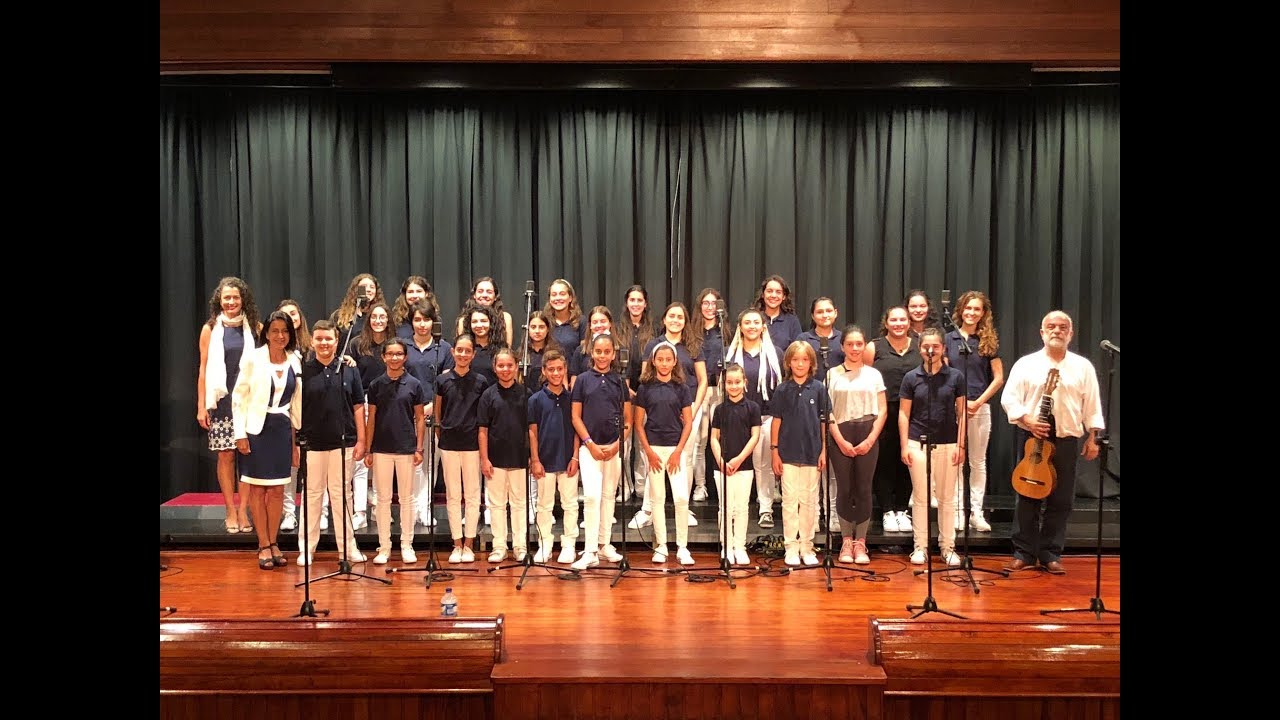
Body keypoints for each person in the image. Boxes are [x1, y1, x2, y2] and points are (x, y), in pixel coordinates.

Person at [1000, 310, 1103, 575]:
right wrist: (1028, 419)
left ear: (1071, 333)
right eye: (1051, 326)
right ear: (1042, 332)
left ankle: (1050, 554)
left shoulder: (1083, 366)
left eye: (1062, 327)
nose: (1057, 331)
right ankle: (1024, 553)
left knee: (1061, 499)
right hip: (1032, 436)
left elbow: (1092, 403)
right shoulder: (1026, 364)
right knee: (1027, 495)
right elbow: (1009, 398)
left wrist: (1093, 437)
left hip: (1067, 437)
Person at [231, 311, 302, 570]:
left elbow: (296, 403)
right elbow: (238, 398)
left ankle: (273, 542)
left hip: (282, 430)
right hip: (256, 430)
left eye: (285, 331)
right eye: (275, 331)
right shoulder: (254, 358)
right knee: (258, 490)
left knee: (277, 491)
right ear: (267, 334)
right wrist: (240, 434)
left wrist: (295, 442)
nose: (280, 336)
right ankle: (262, 544)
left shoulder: (295, 360)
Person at [296, 320, 367, 566]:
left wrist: (361, 439)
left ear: (337, 342)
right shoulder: (303, 370)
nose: (324, 343)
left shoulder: (349, 370)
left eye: (329, 339)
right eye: (319, 338)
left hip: (343, 443)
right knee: (312, 495)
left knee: (342, 496)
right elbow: (296, 409)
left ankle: (348, 548)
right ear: (312, 341)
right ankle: (306, 548)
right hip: (312, 443)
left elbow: (358, 406)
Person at [632, 302, 707, 530]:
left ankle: (683, 508)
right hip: (657, 406)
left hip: (687, 406)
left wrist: (694, 409)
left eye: (680, 317)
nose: (675, 320)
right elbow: (645, 376)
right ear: (664, 320)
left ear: (685, 321)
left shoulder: (693, 345)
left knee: (686, 458)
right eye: (671, 316)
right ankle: (648, 509)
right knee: (652, 459)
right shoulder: (653, 345)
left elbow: (703, 380)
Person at [196, 276, 261, 535]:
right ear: (219, 300)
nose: (231, 301)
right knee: (226, 455)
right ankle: (230, 510)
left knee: (247, 457)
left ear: (243, 299)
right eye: (227, 298)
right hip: (221, 402)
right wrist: (201, 406)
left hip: (249, 401)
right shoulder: (210, 329)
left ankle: (243, 509)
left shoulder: (255, 327)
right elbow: (203, 369)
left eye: (235, 297)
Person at [898, 327, 966, 567]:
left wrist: (961, 444)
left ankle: (948, 547)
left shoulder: (955, 377)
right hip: (918, 443)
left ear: (943, 348)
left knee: (947, 498)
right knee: (921, 497)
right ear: (920, 349)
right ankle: (920, 546)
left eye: (936, 346)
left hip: (948, 444)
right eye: (926, 346)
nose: (931, 350)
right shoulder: (911, 378)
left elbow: (962, 413)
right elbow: (904, 414)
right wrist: (904, 445)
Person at [825, 325, 887, 565]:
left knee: (863, 488)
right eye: (849, 344)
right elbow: (827, 412)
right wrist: (840, 440)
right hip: (841, 433)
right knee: (844, 488)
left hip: (867, 431)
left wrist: (870, 439)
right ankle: (846, 541)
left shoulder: (873, 375)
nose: (854, 348)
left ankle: (861, 542)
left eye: (859, 344)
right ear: (842, 347)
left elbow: (882, 410)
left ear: (864, 346)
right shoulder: (832, 374)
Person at [363, 337, 427, 565]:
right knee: (382, 499)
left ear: (405, 357)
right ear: (383, 357)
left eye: (399, 353)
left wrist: (419, 448)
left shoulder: (414, 384)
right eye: (390, 354)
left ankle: (407, 545)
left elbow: (420, 418)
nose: (394, 357)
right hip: (381, 448)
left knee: (407, 498)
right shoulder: (376, 385)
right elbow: (371, 419)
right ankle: (384, 546)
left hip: (406, 448)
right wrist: (369, 449)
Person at [570, 333, 632, 570]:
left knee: (608, 496)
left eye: (607, 352)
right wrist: (589, 443)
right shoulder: (583, 380)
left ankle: (604, 544)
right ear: (592, 353)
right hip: (590, 449)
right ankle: (590, 550)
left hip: (613, 448)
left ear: (613, 354)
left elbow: (628, 419)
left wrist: (618, 444)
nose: (603, 356)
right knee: (592, 497)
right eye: (598, 351)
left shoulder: (619, 381)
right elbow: (575, 416)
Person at [944, 291, 1004, 533]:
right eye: (968, 308)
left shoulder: (987, 341)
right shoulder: (948, 339)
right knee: (956, 461)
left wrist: (978, 402)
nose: (971, 313)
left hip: (979, 407)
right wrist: (957, 402)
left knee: (977, 461)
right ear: (960, 310)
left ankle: (976, 512)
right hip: (954, 408)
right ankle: (958, 511)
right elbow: (944, 374)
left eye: (976, 309)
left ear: (983, 313)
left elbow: (998, 378)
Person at [722, 308, 783, 530]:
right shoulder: (729, 355)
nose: (752, 326)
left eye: (756, 322)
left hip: (766, 416)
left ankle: (765, 508)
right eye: (747, 322)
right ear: (740, 327)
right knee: (738, 462)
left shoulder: (776, 353)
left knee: (764, 464)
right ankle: (734, 509)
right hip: (738, 417)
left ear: (763, 327)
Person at [769, 340, 829, 567]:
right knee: (789, 501)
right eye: (795, 360)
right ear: (788, 363)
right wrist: (774, 451)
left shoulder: (819, 388)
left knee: (809, 501)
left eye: (804, 360)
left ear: (811, 362)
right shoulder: (783, 390)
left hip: (812, 453)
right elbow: (776, 421)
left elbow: (824, 422)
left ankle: (807, 546)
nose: (800, 364)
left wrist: (824, 450)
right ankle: (791, 547)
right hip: (788, 453)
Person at [635, 342, 695, 565]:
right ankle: (661, 546)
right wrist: (648, 452)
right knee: (657, 498)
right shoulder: (645, 388)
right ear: (653, 361)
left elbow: (688, 423)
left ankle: (682, 546)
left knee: (681, 497)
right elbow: (638, 423)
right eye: (660, 359)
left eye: (668, 360)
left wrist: (678, 451)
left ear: (674, 361)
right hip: (654, 449)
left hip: (675, 449)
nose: (664, 363)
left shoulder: (682, 388)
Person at [865, 306, 920, 537]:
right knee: (884, 461)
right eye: (893, 320)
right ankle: (887, 510)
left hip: (914, 412)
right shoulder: (874, 347)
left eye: (902, 320)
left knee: (908, 461)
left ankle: (901, 510)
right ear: (886, 323)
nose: (898, 324)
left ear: (909, 322)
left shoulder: (920, 345)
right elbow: (865, 377)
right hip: (884, 410)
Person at [435, 334, 491, 564]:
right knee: (453, 494)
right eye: (459, 350)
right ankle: (456, 543)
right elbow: (438, 412)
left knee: (472, 494)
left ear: (473, 354)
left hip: (472, 444)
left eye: (468, 351)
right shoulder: (442, 380)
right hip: (449, 443)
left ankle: (469, 543)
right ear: (452, 352)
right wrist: (442, 431)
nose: (463, 354)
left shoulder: (480, 381)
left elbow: (484, 415)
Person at [478, 348, 532, 563]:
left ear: (516, 367)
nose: (505, 369)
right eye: (501, 365)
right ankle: (499, 546)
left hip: (519, 458)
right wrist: (484, 459)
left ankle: (520, 546)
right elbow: (482, 430)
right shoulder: (488, 395)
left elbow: (531, 429)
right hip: (495, 459)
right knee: (497, 505)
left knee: (519, 504)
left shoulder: (526, 394)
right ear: (494, 368)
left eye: (509, 365)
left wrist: (532, 456)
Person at [527, 349, 581, 564]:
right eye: (551, 369)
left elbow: (577, 429)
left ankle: (569, 545)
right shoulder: (535, 400)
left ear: (566, 369)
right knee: (544, 505)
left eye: (560, 369)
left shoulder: (573, 399)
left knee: (570, 504)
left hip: (568, 460)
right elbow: (532, 431)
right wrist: (535, 459)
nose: (556, 373)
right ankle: (545, 544)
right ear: (544, 371)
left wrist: (575, 457)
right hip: (545, 460)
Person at [404, 299, 452, 528]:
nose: (422, 324)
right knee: (413, 464)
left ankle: (425, 508)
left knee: (431, 464)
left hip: (434, 412)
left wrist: (430, 407)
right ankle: (411, 510)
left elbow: (447, 383)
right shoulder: (404, 347)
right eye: (417, 320)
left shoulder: (443, 348)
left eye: (426, 319)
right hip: (408, 415)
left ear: (434, 322)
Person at [797, 296, 844, 532]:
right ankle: (812, 514)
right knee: (812, 463)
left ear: (835, 313)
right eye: (819, 311)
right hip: (808, 406)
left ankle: (833, 513)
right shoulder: (804, 339)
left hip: (837, 407)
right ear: (813, 316)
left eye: (828, 311)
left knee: (833, 465)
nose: (824, 315)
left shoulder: (842, 340)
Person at [710, 363, 762, 567]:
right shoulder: (719, 409)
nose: (733, 386)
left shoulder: (753, 408)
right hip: (722, 467)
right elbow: (714, 438)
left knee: (741, 507)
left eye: (737, 382)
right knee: (726, 508)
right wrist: (721, 461)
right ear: (724, 384)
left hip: (744, 466)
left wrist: (739, 459)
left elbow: (755, 436)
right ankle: (727, 546)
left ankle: (740, 546)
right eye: (729, 382)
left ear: (745, 382)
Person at [349, 301, 394, 528]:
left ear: (388, 320)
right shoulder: (357, 344)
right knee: (360, 459)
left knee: (382, 460)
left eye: (382, 317)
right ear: (368, 320)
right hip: (363, 404)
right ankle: (359, 511)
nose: (378, 320)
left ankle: (380, 507)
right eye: (374, 317)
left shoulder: (394, 345)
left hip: (388, 404)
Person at [615, 285, 656, 500]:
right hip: (623, 394)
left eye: (640, 300)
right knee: (625, 444)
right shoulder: (618, 329)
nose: (636, 304)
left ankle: (641, 487)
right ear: (626, 303)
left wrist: (642, 391)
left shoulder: (654, 330)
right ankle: (625, 486)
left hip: (646, 394)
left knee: (642, 444)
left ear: (645, 303)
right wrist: (627, 390)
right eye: (632, 300)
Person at [275, 298, 312, 533]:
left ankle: (312, 512)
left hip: (312, 414)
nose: (291, 317)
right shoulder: (278, 350)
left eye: (294, 313)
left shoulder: (311, 347)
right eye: (286, 314)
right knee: (291, 466)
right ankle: (289, 513)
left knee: (312, 468)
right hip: (287, 416)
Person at [690, 287, 726, 505]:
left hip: (722, 389)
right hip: (701, 390)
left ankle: (724, 482)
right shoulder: (693, 332)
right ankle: (700, 485)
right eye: (706, 303)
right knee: (700, 440)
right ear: (700, 306)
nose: (710, 307)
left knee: (722, 437)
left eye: (714, 303)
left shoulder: (726, 331)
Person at [456, 276, 515, 347]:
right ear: (474, 295)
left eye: (489, 292)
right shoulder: (463, 320)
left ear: (495, 296)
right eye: (480, 291)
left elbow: (507, 349)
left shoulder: (505, 318)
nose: (484, 295)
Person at [330, 273, 386, 343]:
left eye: (372, 287)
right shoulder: (339, 315)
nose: (368, 290)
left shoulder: (378, 318)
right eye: (364, 286)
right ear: (356, 290)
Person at [755, 275, 803, 355]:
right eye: (769, 291)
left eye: (778, 292)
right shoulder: (754, 319)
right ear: (763, 294)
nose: (773, 295)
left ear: (784, 296)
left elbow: (798, 351)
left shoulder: (792, 321)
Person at [462, 304, 505, 385]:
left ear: (491, 323)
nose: (479, 325)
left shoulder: (501, 349)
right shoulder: (464, 349)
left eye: (483, 321)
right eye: (474, 322)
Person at [570, 306, 615, 380]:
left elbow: (624, 381)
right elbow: (575, 380)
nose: (599, 325)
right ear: (590, 326)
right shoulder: (580, 350)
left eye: (603, 321)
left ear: (610, 323)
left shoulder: (620, 349)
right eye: (595, 322)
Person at [519, 310, 557, 394]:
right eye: (533, 327)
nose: (537, 331)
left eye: (541, 327)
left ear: (547, 329)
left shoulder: (555, 354)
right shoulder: (521, 354)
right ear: (527, 329)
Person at [543, 278, 585, 354]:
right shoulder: (544, 321)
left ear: (570, 298)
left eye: (562, 294)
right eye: (554, 295)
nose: (558, 298)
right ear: (549, 299)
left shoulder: (581, 321)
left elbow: (584, 353)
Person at [393, 275, 441, 340]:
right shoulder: (397, 319)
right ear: (405, 295)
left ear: (426, 294)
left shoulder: (434, 317)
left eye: (419, 291)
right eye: (410, 292)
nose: (415, 295)